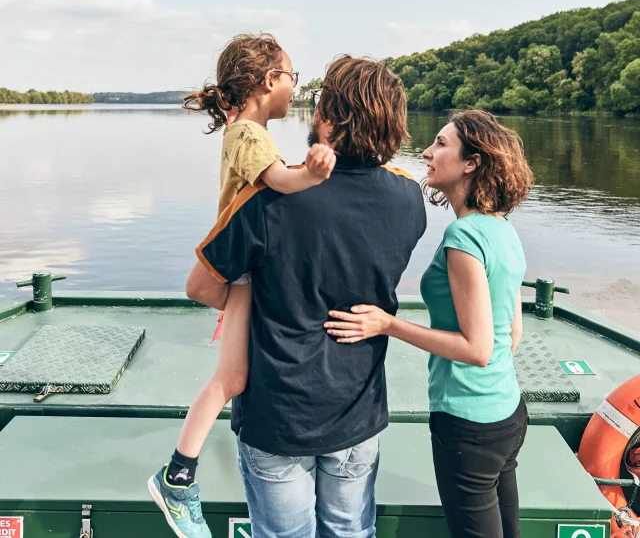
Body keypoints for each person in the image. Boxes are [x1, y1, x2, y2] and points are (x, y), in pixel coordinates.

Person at [185, 56, 427, 538]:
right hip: (356, 410)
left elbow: (202, 286)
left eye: (319, 103)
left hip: (279, 415)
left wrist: (257, 300)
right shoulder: (408, 198)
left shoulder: (272, 199)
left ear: (331, 121)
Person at [149, 33, 336, 538]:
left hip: (244, 269)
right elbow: (278, 181)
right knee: (228, 380)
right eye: (292, 78)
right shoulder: (250, 135)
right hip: (246, 267)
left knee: (231, 379)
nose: (296, 88)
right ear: (267, 81)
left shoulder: (243, 129)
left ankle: (179, 475)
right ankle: (177, 478)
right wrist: (314, 172)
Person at [326, 109, 534, 538]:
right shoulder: (502, 229)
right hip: (508, 415)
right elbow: (512, 334)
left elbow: (477, 350)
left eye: (441, 144)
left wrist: (387, 324)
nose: (427, 152)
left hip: (468, 424)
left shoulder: (464, 238)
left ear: (472, 162)